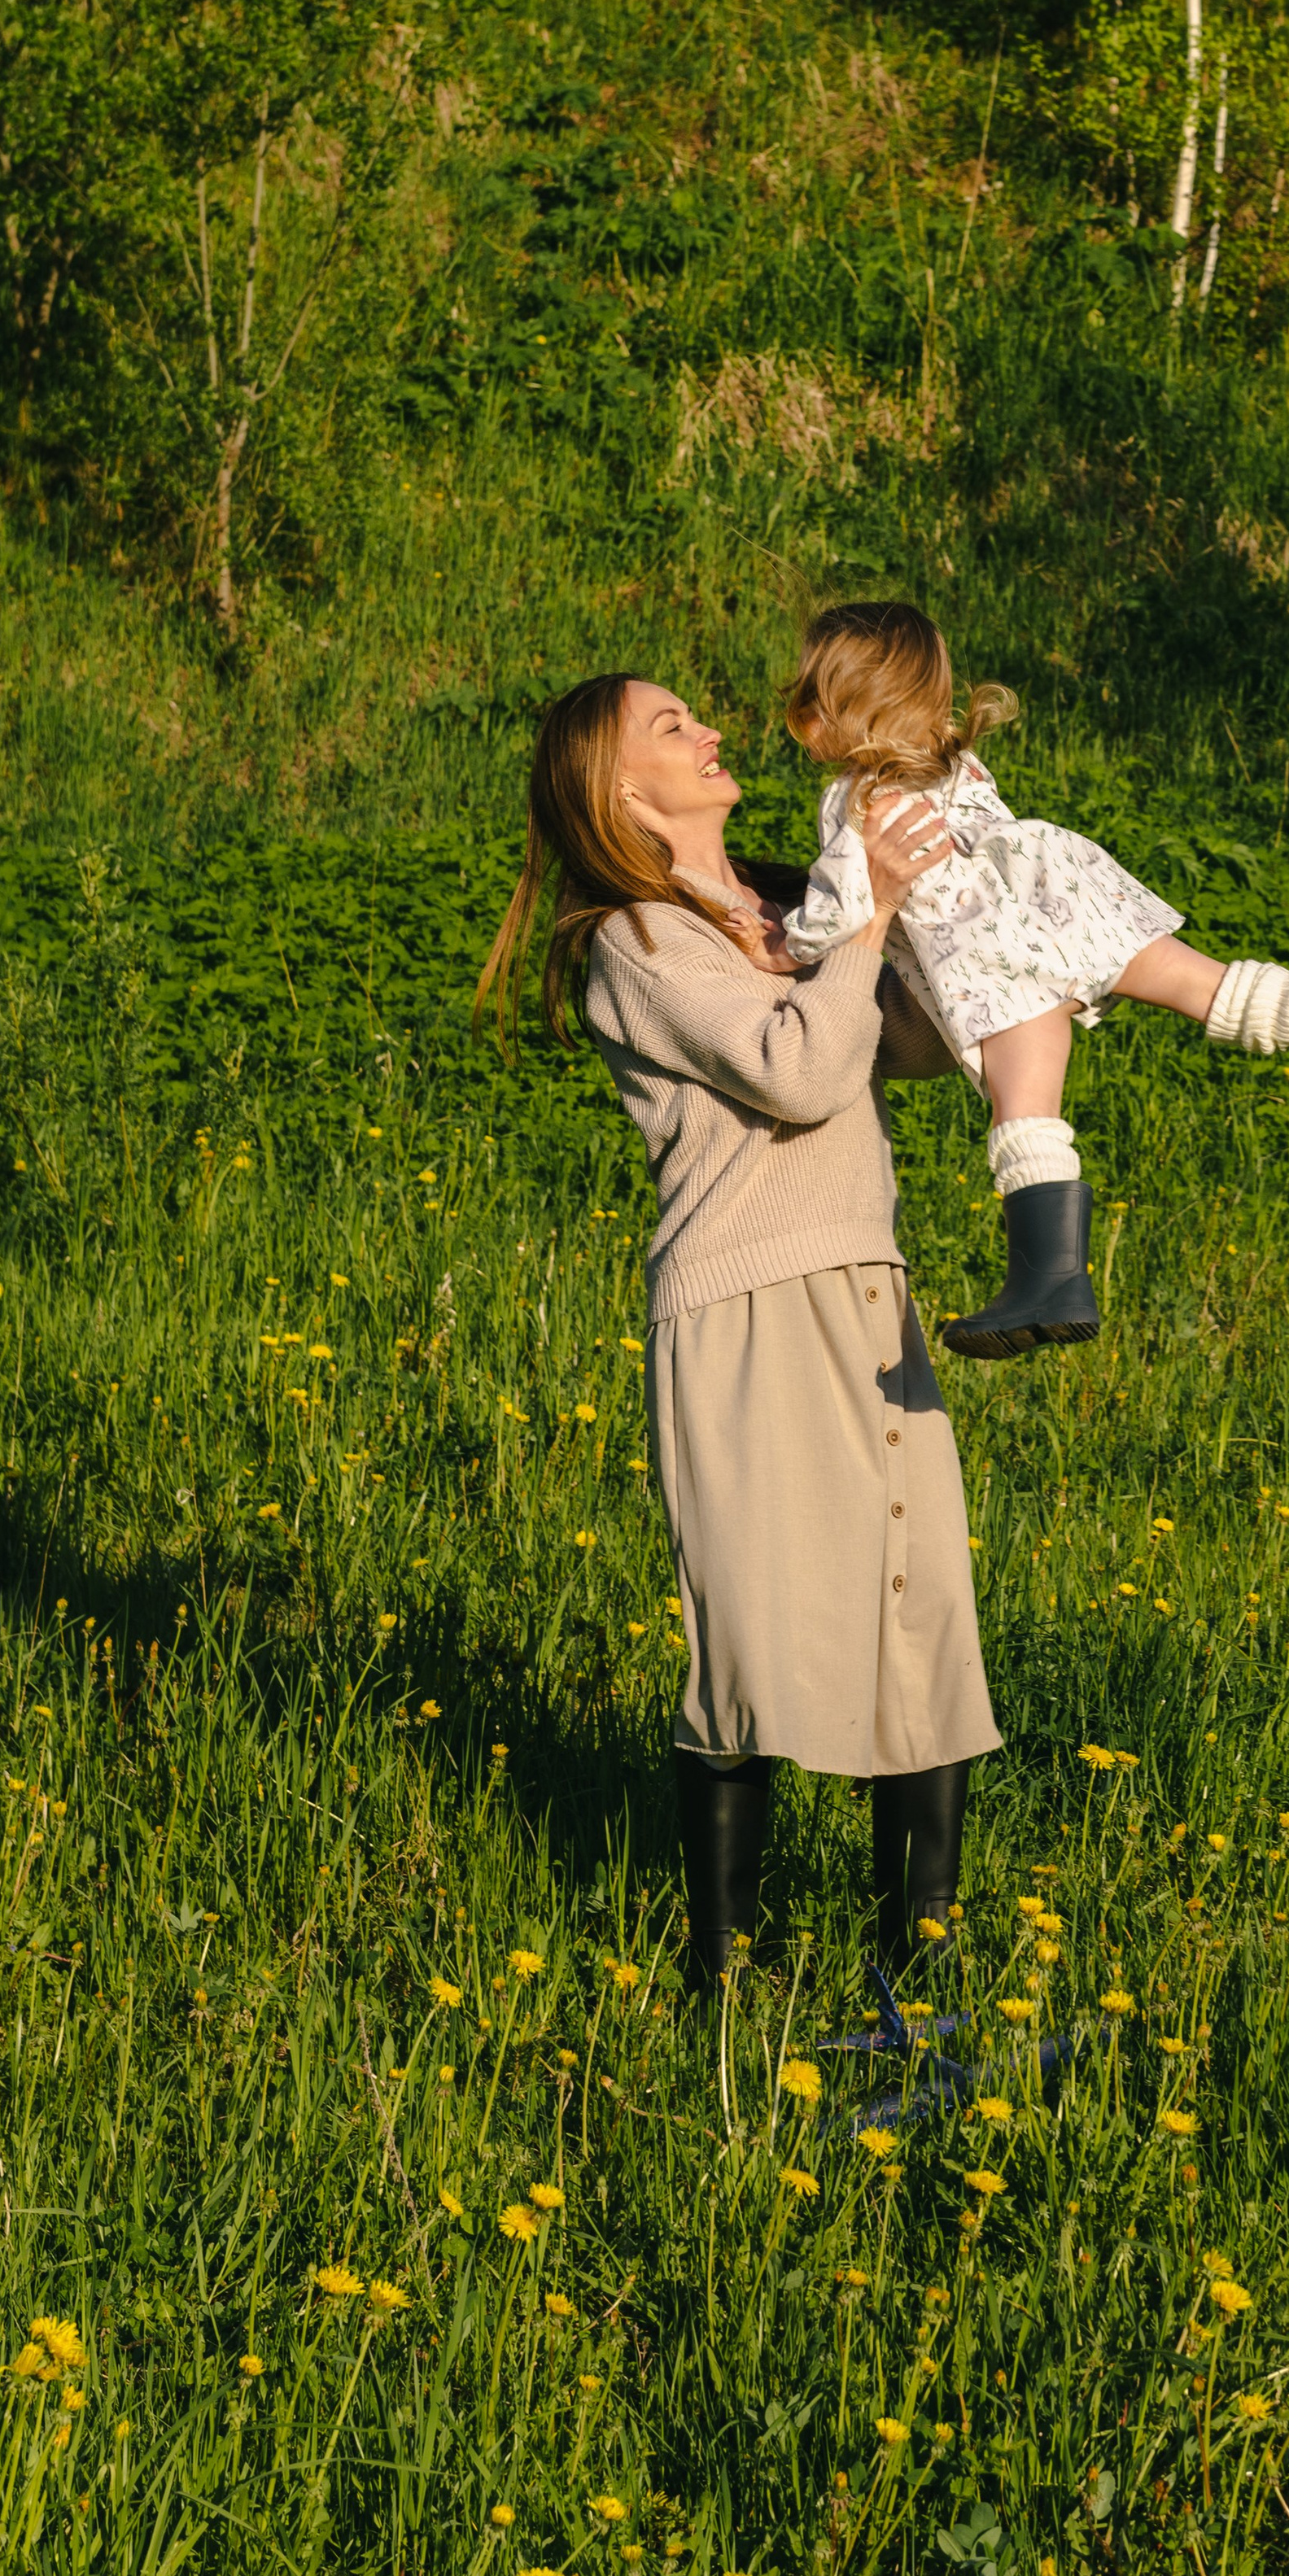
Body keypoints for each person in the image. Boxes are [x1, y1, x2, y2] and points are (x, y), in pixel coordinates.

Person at [476, 671, 998, 1993]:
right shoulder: (637, 942)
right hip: (745, 1310)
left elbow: (906, 1044)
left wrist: (947, 922)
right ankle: (724, 1978)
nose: (709, 732)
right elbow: (801, 1071)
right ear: (619, 789)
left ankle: (918, 1979)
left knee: (924, 1615)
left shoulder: (783, 902)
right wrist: (867, 921)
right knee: (754, 1640)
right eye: (672, 727)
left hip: (867, 1287)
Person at [780, 600, 1289, 1359]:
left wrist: (782, 947)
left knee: (1027, 1111)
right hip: (1063, 898)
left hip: (999, 960)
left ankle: (1050, 1282)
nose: (800, 721)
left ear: (844, 709)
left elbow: (841, 909)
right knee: (1215, 988)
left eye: (806, 703)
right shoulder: (955, 762)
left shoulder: (857, 799)